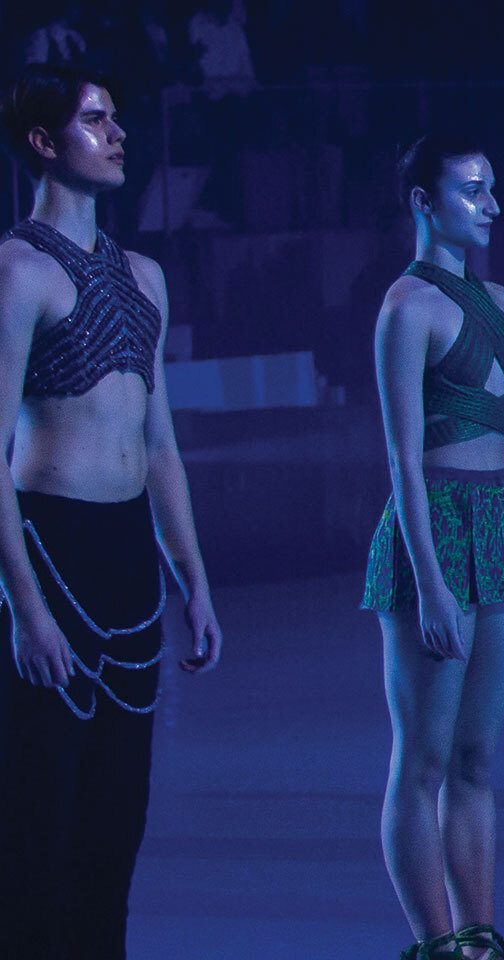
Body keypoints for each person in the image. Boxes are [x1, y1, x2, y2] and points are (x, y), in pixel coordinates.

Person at [0, 64, 226, 960]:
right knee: (38, 825)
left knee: (113, 827)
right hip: (50, 549)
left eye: (118, 115)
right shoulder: (16, 272)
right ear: (44, 143)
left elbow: (162, 443)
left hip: (129, 556)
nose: (119, 133)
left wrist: (195, 581)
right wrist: (24, 607)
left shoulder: (145, 276)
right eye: (97, 119)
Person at [363, 134, 504, 960]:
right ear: (424, 201)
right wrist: (432, 580)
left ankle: (479, 933)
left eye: (492, 189)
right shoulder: (405, 307)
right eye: (472, 190)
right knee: (423, 760)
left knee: (478, 757)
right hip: (439, 531)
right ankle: (434, 942)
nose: (490, 205)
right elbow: (402, 457)